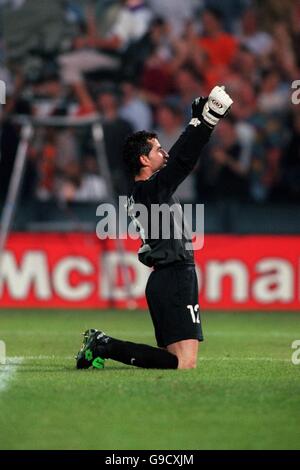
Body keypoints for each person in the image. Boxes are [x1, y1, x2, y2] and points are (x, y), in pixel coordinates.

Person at [75, 85, 233, 370]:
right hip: (174, 278)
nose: (165, 153)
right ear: (144, 160)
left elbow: (179, 159)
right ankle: (104, 345)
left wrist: (196, 123)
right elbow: (183, 162)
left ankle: (103, 345)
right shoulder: (149, 192)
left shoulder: (146, 191)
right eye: (158, 150)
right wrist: (207, 123)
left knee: (176, 361)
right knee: (184, 363)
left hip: (168, 278)